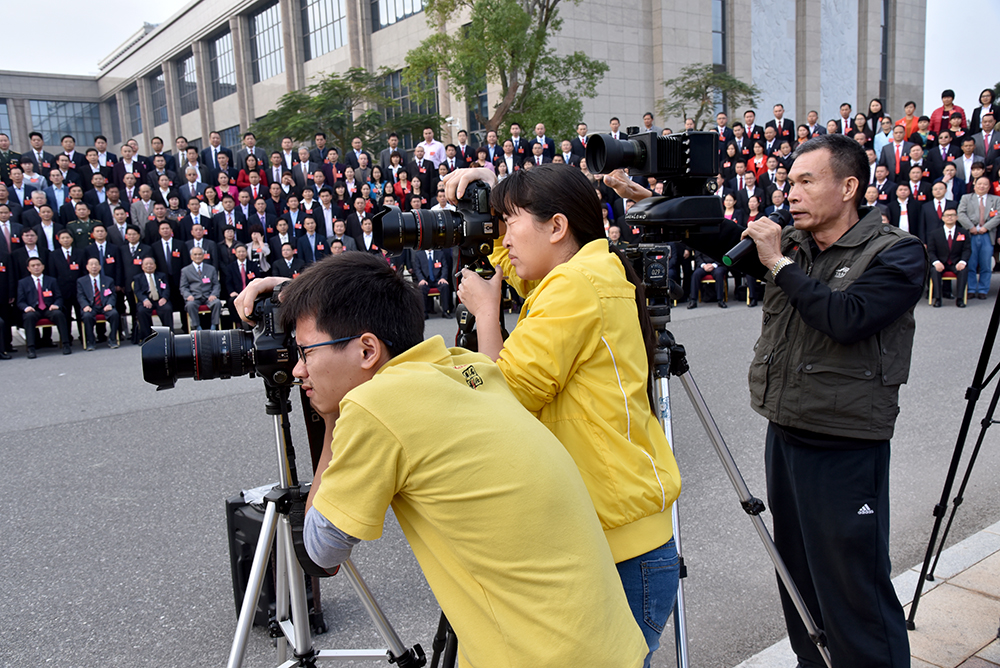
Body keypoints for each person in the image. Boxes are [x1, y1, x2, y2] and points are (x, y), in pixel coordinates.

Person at [233, 253, 647, 668]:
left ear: (366, 349)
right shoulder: (465, 368)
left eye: (305, 351)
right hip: (608, 643)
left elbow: (323, 551)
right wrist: (305, 293)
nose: (299, 369)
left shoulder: (376, 404)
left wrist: (330, 421)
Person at [607, 131, 922, 667]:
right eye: (789, 182)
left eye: (806, 181)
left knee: (854, 587)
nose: (791, 193)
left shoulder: (894, 253)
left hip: (847, 447)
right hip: (788, 432)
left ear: (849, 187)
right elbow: (721, 235)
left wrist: (778, 264)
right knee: (798, 577)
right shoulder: (798, 247)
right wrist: (653, 205)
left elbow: (846, 320)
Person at [446, 165, 681, 666]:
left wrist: (487, 315)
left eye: (509, 222)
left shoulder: (573, 288)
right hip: (626, 542)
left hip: (617, 554)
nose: (501, 237)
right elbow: (522, 272)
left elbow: (499, 399)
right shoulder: (592, 272)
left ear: (557, 227)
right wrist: (493, 184)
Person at [17, 256, 73, 357]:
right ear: (28, 268)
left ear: (43, 267)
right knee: (29, 317)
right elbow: (20, 301)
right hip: (33, 309)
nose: (36, 267)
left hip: (49, 308)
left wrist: (56, 304)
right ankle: (31, 348)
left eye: (38, 265)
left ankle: (66, 344)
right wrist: (26, 308)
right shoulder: (23, 283)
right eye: (33, 266)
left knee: (59, 314)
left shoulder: (51, 280)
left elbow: (59, 297)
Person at [957, 176, 1000, 299]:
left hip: (987, 234)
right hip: (971, 234)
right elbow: (961, 214)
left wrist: (986, 227)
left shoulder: (996, 199)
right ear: (975, 185)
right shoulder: (966, 198)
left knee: (986, 264)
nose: (982, 186)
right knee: (971, 263)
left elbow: (998, 215)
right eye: (979, 184)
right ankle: (970, 289)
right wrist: (971, 227)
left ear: (989, 187)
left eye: (985, 184)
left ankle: (983, 289)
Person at [927, 208, 970, 307]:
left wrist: (962, 262)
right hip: (941, 262)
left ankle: (960, 299)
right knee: (934, 270)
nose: (950, 217)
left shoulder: (963, 232)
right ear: (943, 218)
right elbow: (931, 251)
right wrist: (936, 262)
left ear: (957, 217)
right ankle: (938, 298)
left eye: (952, 215)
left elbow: (967, 249)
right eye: (947, 215)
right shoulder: (934, 233)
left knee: (963, 271)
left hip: (956, 262)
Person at [77, 257, 121, 349]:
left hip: (104, 305)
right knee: (87, 316)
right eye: (91, 264)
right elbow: (80, 296)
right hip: (91, 306)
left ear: (100, 267)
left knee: (114, 314)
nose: (94, 267)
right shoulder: (81, 281)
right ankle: (91, 341)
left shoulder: (108, 280)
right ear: (87, 267)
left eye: (96, 264)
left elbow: (112, 295)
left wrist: (109, 304)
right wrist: (85, 306)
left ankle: (112, 339)